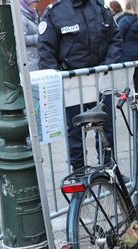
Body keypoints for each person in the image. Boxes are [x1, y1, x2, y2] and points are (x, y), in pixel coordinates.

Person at [38, 0, 122, 170]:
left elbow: (115, 39)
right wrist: (58, 80)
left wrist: (106, 65)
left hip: (99, 81)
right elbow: (46, 51)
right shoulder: (55, 12)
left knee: (106, 128)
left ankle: (108, 169)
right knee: (75, 131)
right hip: (73, 84)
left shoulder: (100, 9)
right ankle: (78, 172)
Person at [115, 2, 138, 92]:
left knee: (125, 75)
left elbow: (119, 38)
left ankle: (125, 93)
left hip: (126, 53)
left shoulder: (123, 21)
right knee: (136, 73)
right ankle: (137, 93)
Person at [21, 0, 40, 71]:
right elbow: (21, 39)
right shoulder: (22, 17)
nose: (35, 4)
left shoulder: (33, 14)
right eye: (33, 2)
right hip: (28, 59)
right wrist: (39, 38)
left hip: (35, 57)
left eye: (36, 2)